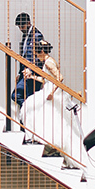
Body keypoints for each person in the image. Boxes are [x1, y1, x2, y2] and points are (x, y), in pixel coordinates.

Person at [19, 40, 84, 168]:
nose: (37, 57)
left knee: (30, 107)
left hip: (52, 92)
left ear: (41, 52)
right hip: (49, 89)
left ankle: (36, 139)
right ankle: (43, 142)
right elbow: (46, 80)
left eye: (37, 54)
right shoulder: (48, 61)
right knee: (42, 115)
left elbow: (59, 78)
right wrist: (32, 77)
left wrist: (52, 93)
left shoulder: (49, 63)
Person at [10, 13, 45, 109]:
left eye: (22, 26)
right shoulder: (25, 36)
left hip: (33, 73)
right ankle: (28, 112)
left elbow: (39, 56)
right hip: (25, 73)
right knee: (17, 96)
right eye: (19, 27)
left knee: (29, 97)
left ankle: (30, 114)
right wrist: (19, 73)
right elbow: (24, 55)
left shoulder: (37, 35)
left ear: (28, 23)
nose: (21, 29)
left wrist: (31, 69)